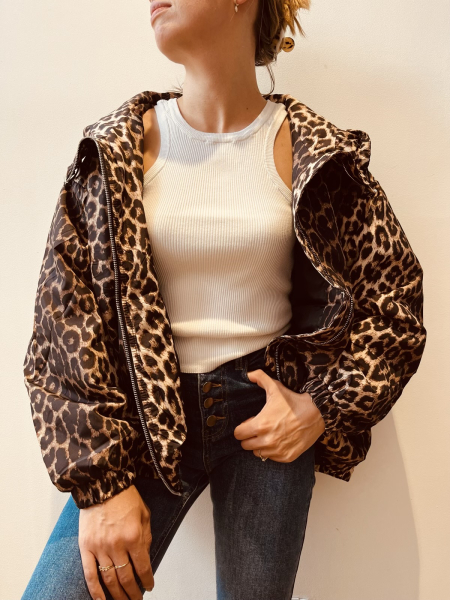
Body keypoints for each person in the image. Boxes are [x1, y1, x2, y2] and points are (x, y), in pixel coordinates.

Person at [21, 1, 427, 599]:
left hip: (266, 417)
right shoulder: (114, 150)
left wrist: (322, 406)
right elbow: (62, 322)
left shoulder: (316, 151)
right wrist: (101, 485)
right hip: (144, 421)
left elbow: (394, 304)